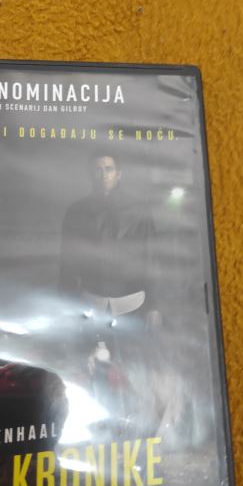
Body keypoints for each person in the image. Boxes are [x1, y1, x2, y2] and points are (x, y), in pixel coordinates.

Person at [59, 147, 161, 411]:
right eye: (97, 169)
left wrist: (154, 305)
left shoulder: (139, 211)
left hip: (131, 301)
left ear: (119, 173)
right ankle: (104, 415)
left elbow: (150, 258)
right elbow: (68, 262)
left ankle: (135, 416)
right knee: (96, 365)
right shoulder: (76, 212)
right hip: (91, 300)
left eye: (108, 169)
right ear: (89, 173)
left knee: (133, 365)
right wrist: (66, 304)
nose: (102, 174)